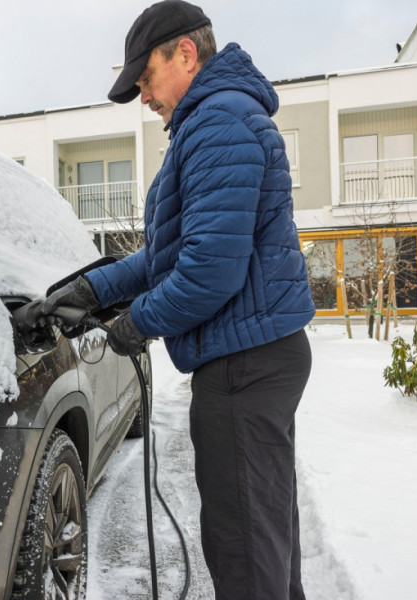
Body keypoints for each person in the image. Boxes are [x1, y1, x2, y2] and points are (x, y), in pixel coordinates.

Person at [43, 1, 316, 598]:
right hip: (253, 356)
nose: (144, 95)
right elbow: (167, 258)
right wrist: (93, 290)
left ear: (185, 54)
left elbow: (210, 272)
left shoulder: (218, 123)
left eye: (146, 78)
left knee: (244, 549)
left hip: (246, 366)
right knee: (261, 538)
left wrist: (135, 324)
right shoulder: (212, 121)